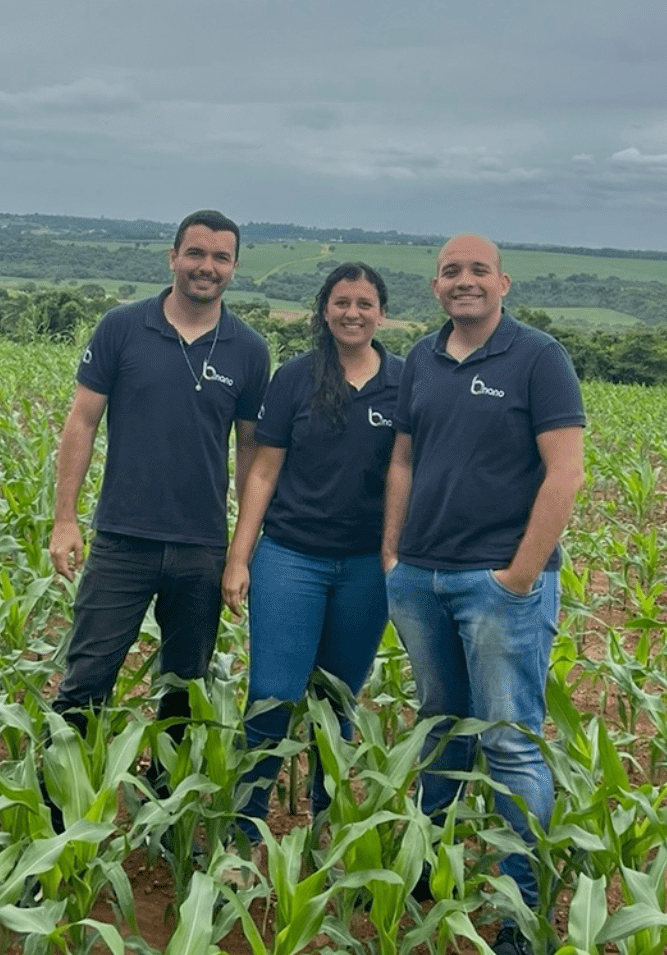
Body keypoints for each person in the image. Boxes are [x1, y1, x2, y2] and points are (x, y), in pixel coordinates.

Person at [382, 233, 585, 955]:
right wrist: (393, 555)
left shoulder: (538, 358)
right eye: (449, 272)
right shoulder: (421, 362)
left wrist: (520, 576)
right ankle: (426, 868)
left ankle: (519, 914)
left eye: (477, 270)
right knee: (438, 725)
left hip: (498, 581)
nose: (463, 281)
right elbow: (403, 458)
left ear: (504, 282)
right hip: (420, 578)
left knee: (508, 742)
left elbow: (565, 472)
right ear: (435, 287)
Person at [46, 209, 271, 814]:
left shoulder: (249, 350)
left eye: (221, 257)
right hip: (122, 540)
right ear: (172, 257)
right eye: (196, 254)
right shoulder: (122, 328)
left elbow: (251, 453)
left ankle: (163, 816)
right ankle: (59, 812)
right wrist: (65, 518)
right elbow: (82, 422)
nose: (207, 267)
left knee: (185, 692)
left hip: (201, 548)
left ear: (234, 268)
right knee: (86, 681)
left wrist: (242, 553)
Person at [222, 262, 402, 847]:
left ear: (381, 312)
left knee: (338, 699)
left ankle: (327, 821)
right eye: (341, 302)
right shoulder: (295, 379)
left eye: (365, 303)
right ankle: (246, 819)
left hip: (364, 569)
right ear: (324, 310)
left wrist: (396, 559)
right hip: (291, 558)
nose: (353, 313)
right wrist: (239, 557)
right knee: (273, 691)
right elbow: (264, 472)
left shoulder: (402, 384)